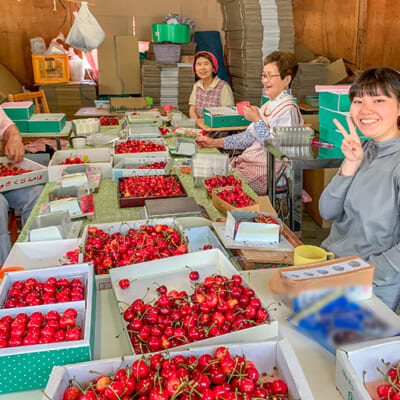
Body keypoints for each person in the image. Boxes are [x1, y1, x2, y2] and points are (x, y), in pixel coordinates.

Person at [319, 67, 400, 311]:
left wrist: (363, 273)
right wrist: (351, 164)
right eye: (358, 100)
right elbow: (327, 212)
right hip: (332, 266)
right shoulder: (364, 149)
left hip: (369, 288)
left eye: (378, 100)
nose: (366, 109)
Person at [195, 51, 303, 195]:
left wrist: (257, 120)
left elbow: (276, 151)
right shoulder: (268, 105)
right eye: (264, 76)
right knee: (201, 172)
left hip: (268, 173)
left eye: (270, 76)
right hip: (249, 163)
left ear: (287, 79)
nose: (265, 81)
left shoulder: (288, 110)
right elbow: (248, 138)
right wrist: (215, 143)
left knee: (213, 187)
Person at [0, 107, 44, 264]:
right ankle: (5, 269)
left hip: (4, 181)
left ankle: (35, 257)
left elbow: (7, 127)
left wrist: (14, 137)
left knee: (37, 194)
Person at [189, 51, 234, 119]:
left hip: (218, 128)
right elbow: (192, 109)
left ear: (213, 68)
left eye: (206, 64)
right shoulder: (197, 86)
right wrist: (198, 123)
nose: (202, 68)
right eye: (199, 64)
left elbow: (228, 113)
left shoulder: (223, 87)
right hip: (200, 127)